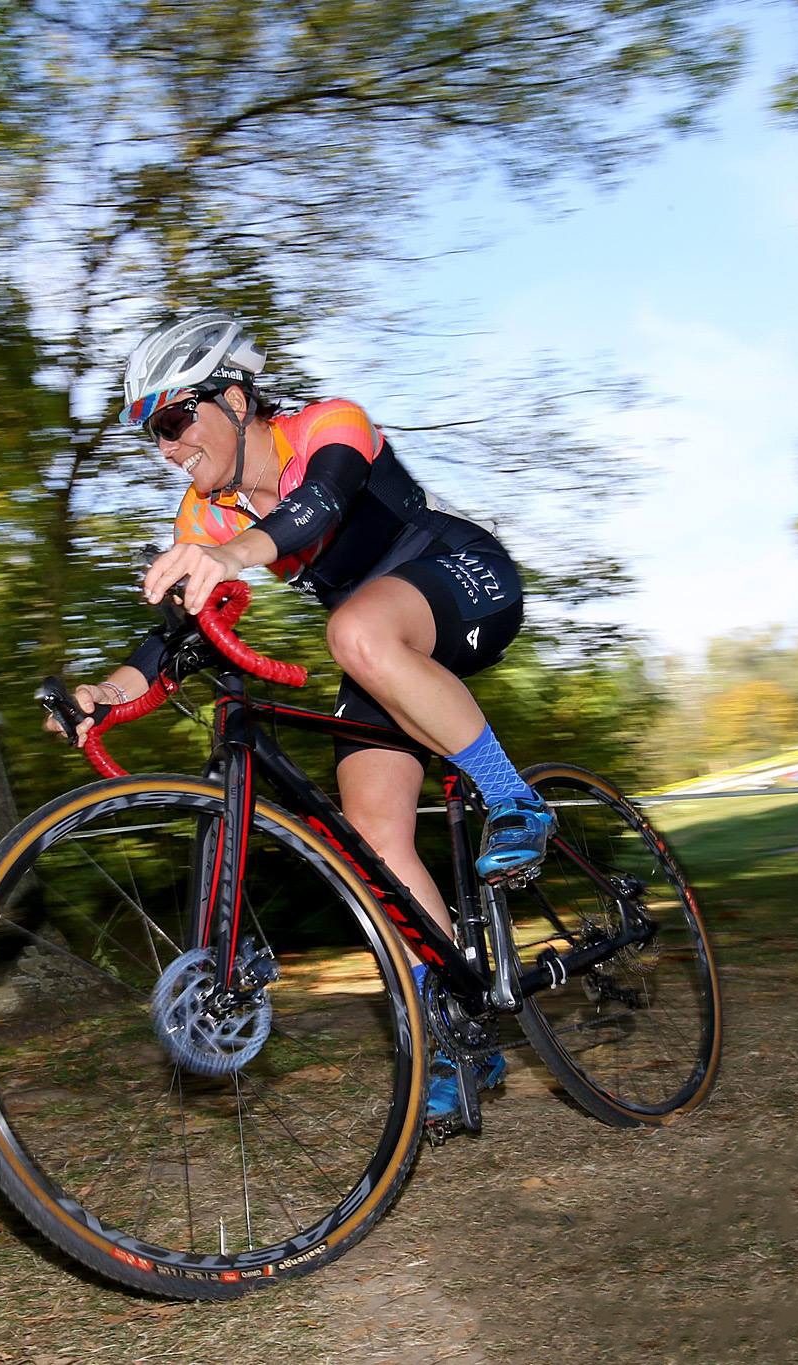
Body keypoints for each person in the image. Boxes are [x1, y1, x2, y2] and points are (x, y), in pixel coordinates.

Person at [56, 312, 548, 1130]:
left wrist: (233, 554)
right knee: (371, 839)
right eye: (154, 435)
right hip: (378, 642)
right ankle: (454, 1029)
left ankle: (515, 797)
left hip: (459, 577)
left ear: (237, 397)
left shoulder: (329, 424)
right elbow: (173, 635)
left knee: (352, 631)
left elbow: (318, 506)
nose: (168, 447)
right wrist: (104, 693)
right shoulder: (202, 518)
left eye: (173, 419)